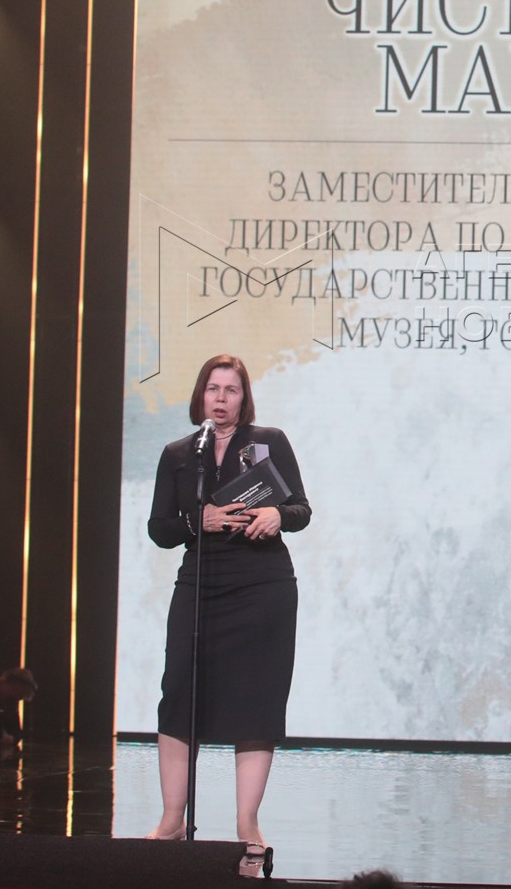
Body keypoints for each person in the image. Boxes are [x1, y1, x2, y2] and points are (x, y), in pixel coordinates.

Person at [145, 353, 311, 878]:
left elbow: (302, 510)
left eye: (231, 390)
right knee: (179, 693)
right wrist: (201, 520)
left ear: (244, 397)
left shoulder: (268, 442)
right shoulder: (179, 454)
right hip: (201, 584)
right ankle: (172, 819)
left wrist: (276, 514)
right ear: (200, 395)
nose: (220, 398)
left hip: (262, 586)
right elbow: (159, 529)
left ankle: (247, 824)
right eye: (213, 388)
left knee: (256, 700)